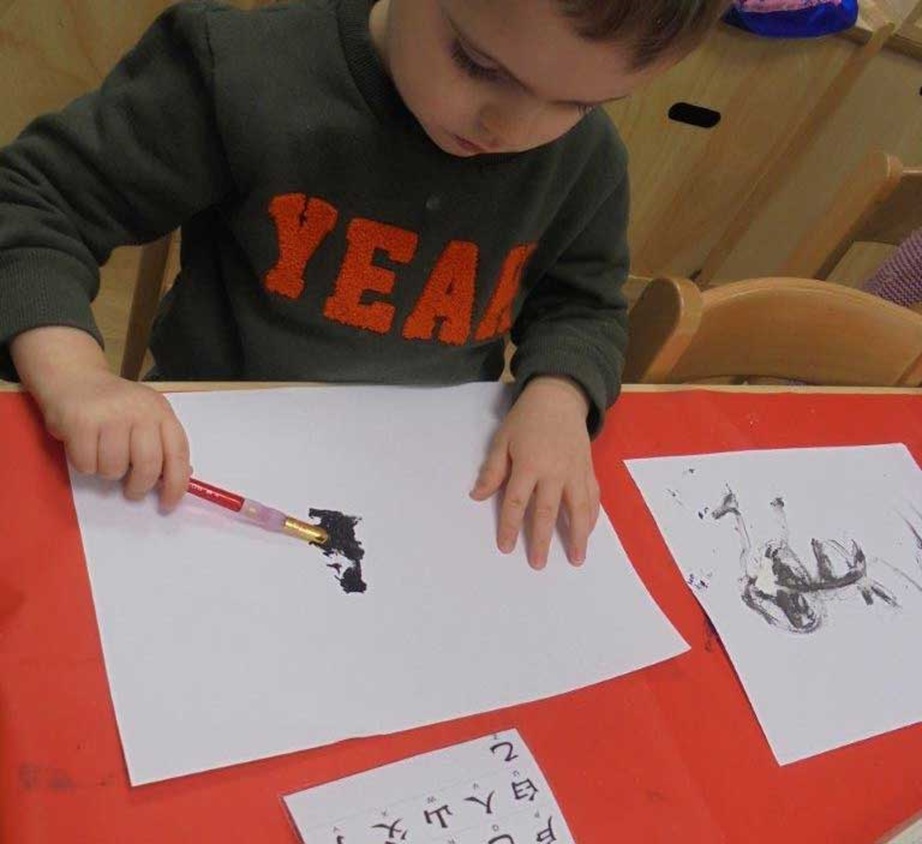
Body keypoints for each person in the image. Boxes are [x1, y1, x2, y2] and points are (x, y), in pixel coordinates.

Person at [0, 0, 727, 569]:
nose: (512, 125)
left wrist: (560, 395)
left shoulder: (584, 162)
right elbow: (34, 202)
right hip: (203, 463)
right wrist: (78, 378)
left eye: (577, 103)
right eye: (478, 63)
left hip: (432, 485)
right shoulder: (249, 74)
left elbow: (583, 301)